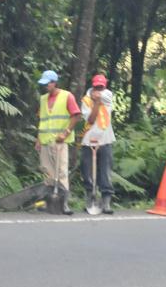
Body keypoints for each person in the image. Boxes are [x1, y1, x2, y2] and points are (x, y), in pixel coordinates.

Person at [34, 69, 81, 214]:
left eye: (47, 84)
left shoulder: (67, 96)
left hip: (60, 142)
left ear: (54, 83)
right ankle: (49, 203)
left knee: (61, 172)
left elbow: (76, 115)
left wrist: (65, 133)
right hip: (45, 141)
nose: (45, 87)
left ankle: (64, 203)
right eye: (44, 84)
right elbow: (42, 120)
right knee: (47, 172)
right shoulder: (43, 99)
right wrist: (38, 139)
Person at [79, 74, 116, 214]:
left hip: (105, 139)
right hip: (89, 140)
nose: (99, 89)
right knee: (87, 171)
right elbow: (90, 119)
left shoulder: (108, 95)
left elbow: (103, 97)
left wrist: (98, 98)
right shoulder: (86, 100)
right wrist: (96, 103)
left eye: (101, 86)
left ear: (105, 86)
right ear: (93, 85)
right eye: (97, 87)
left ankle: (106, 202)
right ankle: (90, 198)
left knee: (105, 171)